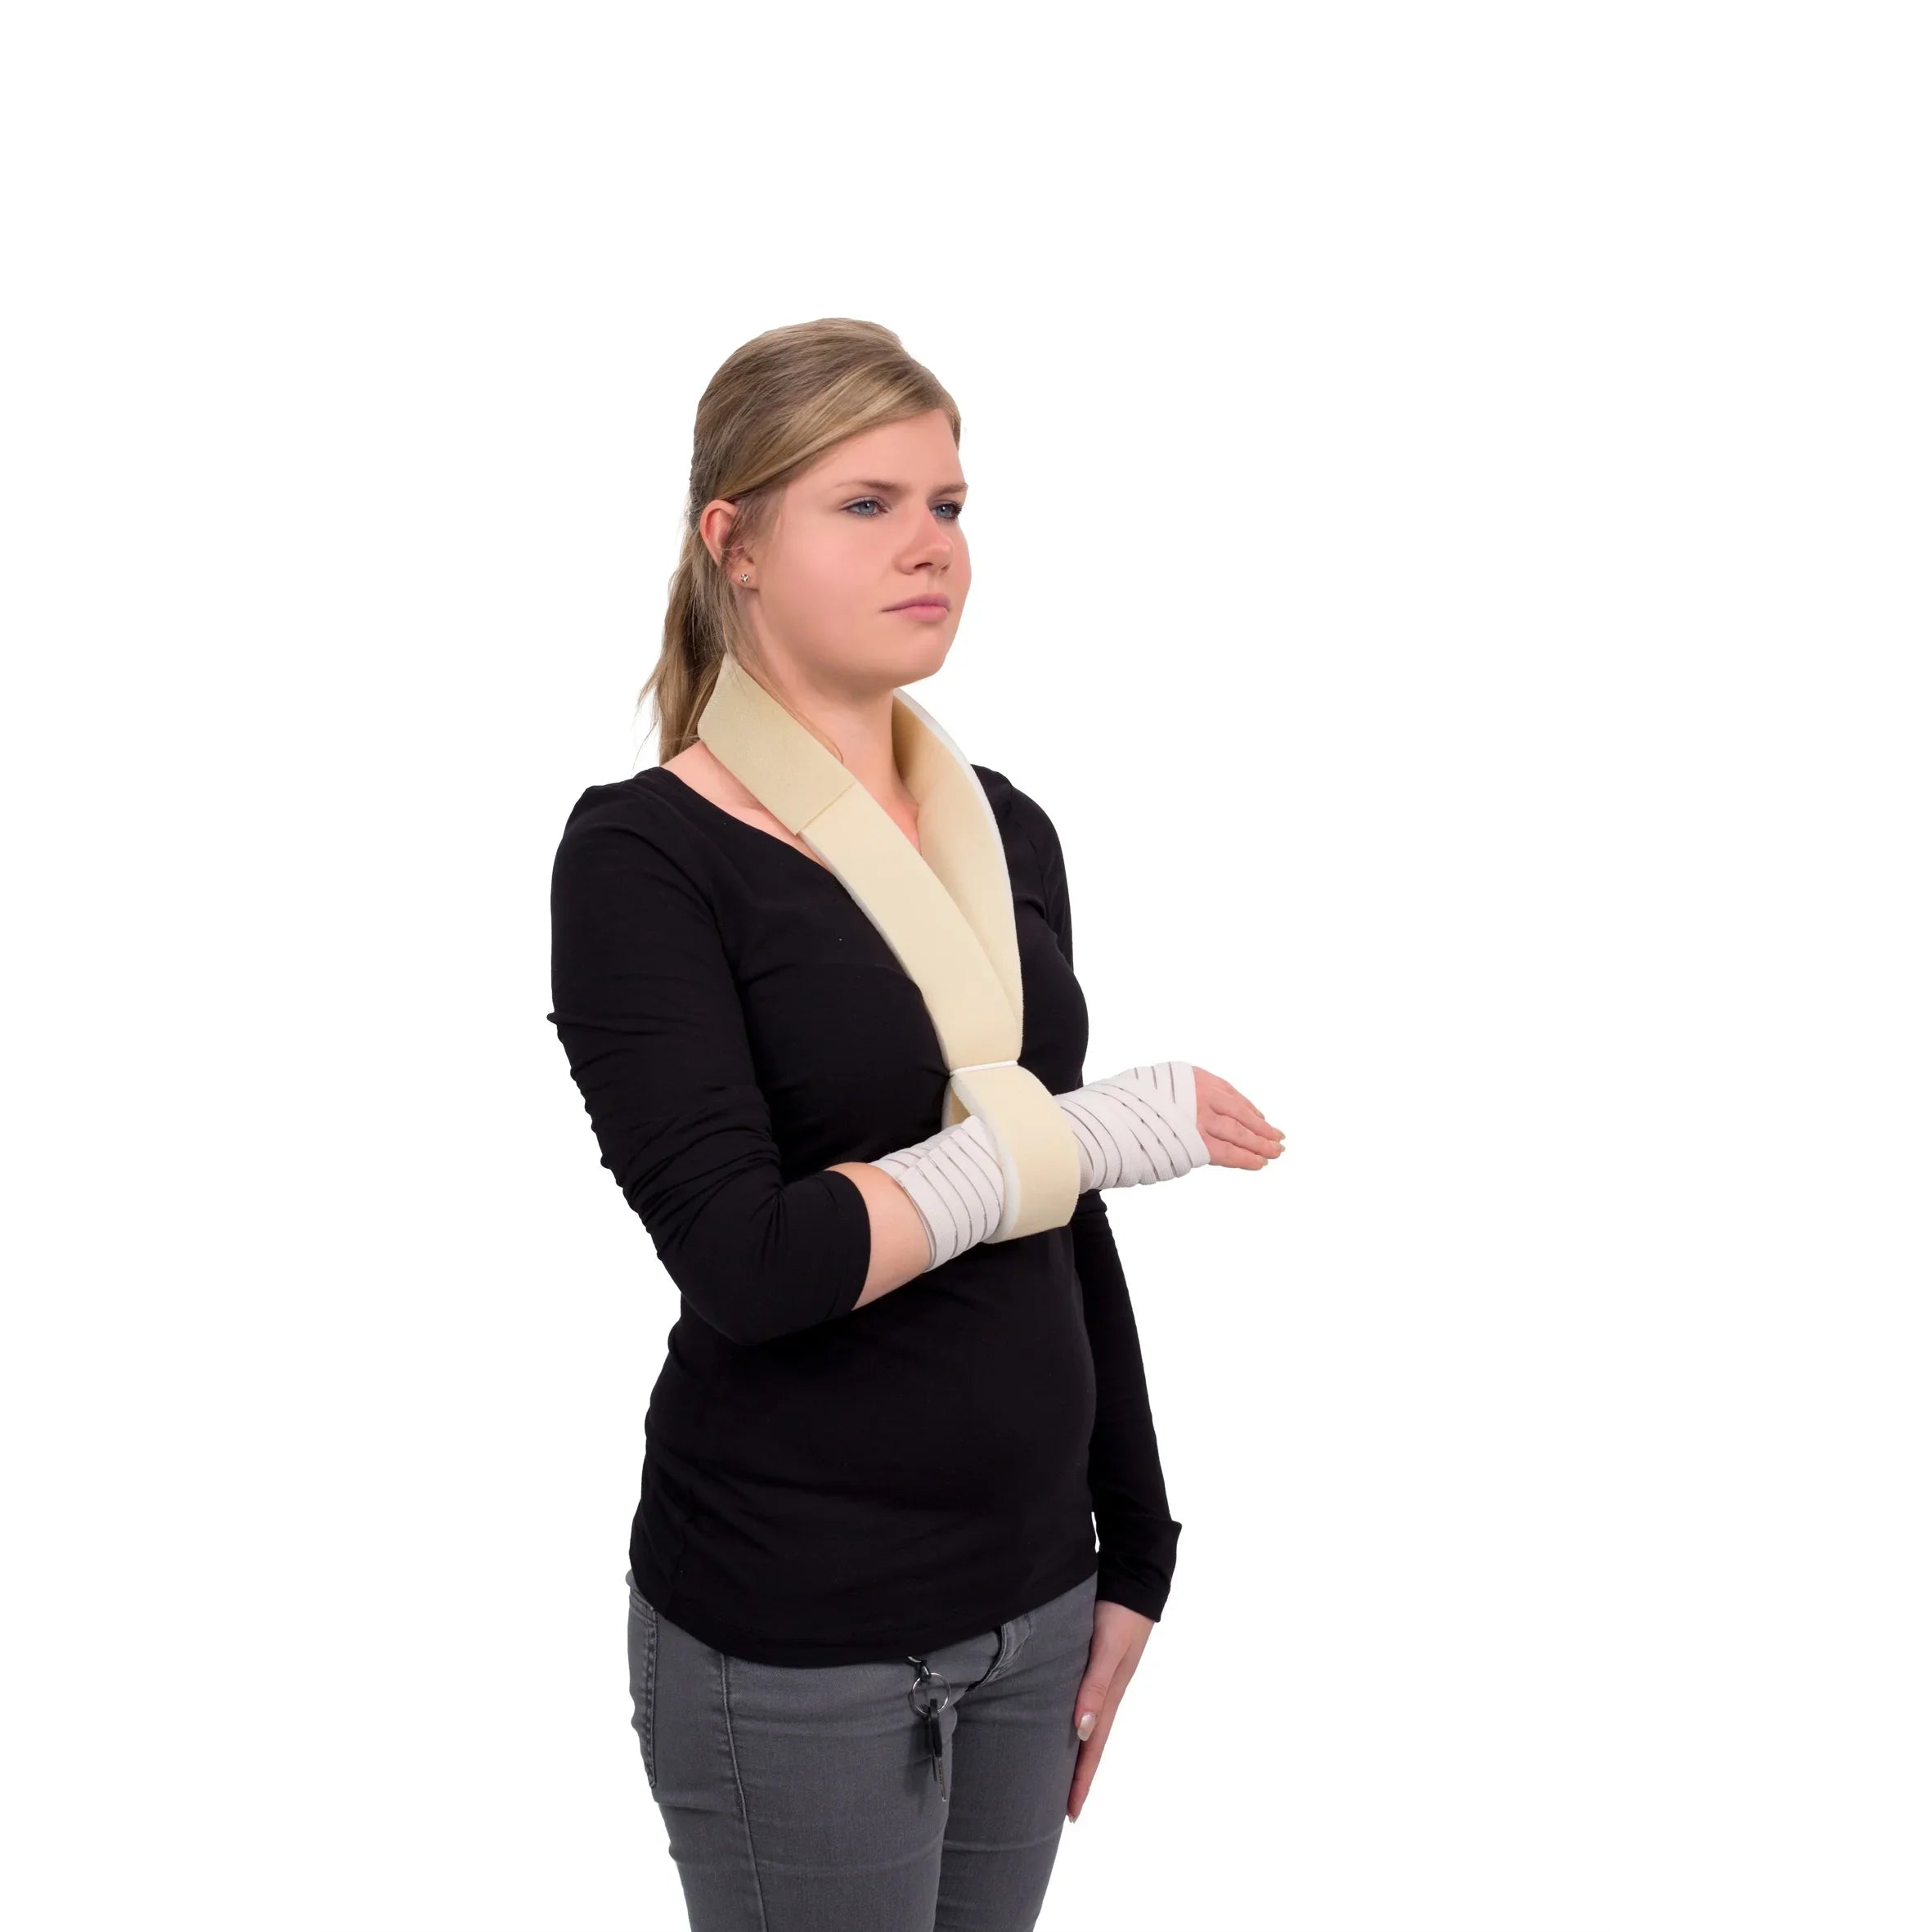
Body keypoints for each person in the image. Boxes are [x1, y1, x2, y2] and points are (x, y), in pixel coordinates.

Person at [546, 317, 1283, 1932]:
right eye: (866, 504)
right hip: (795, 1628)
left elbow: (1058, 1204)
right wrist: (1087, 1131)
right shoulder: (644, 861)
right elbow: (752, 1260)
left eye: (947, 503)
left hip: (1037, 1591)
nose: (930, 544)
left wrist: (1135, 1548)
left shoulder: (1002, 827)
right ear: (733, 541)